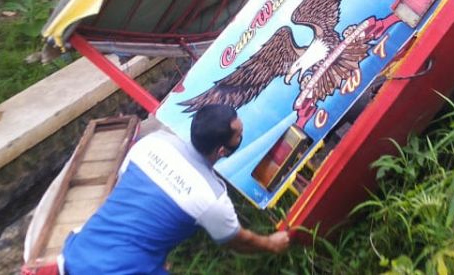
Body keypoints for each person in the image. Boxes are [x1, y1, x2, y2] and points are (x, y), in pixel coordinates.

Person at [61, 105, 291, 274]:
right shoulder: (212, 197)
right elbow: (240, 241)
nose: (242, 136)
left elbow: (123, 191)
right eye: (239, 134)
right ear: (221, 151)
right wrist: (273, 243)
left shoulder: (152, 143)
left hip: (77, 251)